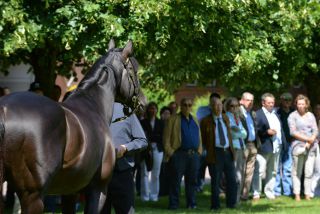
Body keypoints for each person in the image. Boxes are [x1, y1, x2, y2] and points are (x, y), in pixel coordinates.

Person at [102, 102, 148, 213]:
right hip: (98, 175)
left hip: (122, 172)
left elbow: (142, 141)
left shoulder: (126, 111)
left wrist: (125, 148)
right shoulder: (91, 108)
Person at [163, 98, 202, 210]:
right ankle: (174, 205)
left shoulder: (194, 119)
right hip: (179, 155)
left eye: (190, 105)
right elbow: (166, 139)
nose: (187, 107)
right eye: (185, 105)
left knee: (192, 181)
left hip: (193, 155)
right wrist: (171, 153)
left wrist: (199, 152)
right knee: (175, 181)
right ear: (181, 106)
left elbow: (199, 137)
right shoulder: (173, 119)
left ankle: (191, 203)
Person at [200, 96, 237, 210]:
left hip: (227, 152)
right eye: (216, 105)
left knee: (231, 180)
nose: (219, 107)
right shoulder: (206, 121)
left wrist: (232, 151)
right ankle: (215, 206)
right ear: (211, 107)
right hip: (215, 153)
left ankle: (231, 204)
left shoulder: (226, 118)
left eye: (220, 105)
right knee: (215, 181)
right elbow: (203, 139)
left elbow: (229, 135)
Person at [253, 93, 286, 200]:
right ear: (263, 103)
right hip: (264, 146)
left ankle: (269, 191)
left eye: (273, 102)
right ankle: (256, 192)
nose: (271, 104)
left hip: (276, 146)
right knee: (259, 170)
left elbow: (280, 130)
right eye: (269, 102)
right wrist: (266, 132)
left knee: (273, 171)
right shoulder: (258, 114)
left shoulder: (275, 114)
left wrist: (283, 143)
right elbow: (255, 131)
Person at [288, 94, 318, 201]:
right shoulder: (292, 116)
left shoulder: (311, 115)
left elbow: (315, 130)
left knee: (309, 172)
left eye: (302, 104)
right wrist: (307, 139)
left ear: (306, 104)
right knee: (297, 172)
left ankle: (307, 194)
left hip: (311, 146)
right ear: (296, 104)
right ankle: (296, 194)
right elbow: (293, 132)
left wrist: (310, 141)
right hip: (298, 146)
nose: (300, 106)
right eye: (299, 103)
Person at [195, 92, 221, 192]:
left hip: (216, 143)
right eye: (212, 101)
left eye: (216, 102)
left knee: (214, 167)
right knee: (201, 164)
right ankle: (199, 185)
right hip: (204, 142)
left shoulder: (221, 112)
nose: (214, 103)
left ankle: (216, 187)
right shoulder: (202, 110)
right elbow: (202, 121)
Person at [140, 102, 164, 202]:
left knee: (156, 173)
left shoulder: (161, 123)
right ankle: (145, 196)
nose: (152, 110)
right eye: (150, 108)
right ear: (147, 110)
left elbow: (161, 137)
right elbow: (142, 137)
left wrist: (151, 137)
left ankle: (154, 196)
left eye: (154, 109)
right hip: (145, 150)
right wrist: (154, 137)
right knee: (144, 173)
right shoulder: (143, 123)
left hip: (158, 150)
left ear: (157, 110)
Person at [224, 97, 247, 203]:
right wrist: (239, 133)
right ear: (227, 107)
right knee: (234, 175)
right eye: (232, 106)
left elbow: (245, 134)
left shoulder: (237, 117)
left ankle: (237, 198)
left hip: (242, 147)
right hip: (234, 149)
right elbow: (231, 134)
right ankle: (233, 199)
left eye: (237, 106)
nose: (234, 108)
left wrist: (238, 132)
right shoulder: (226, 117)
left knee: (241, 174)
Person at [239, 92, 259, 200]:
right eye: (247, 100)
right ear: (241, 101)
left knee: (249, 172)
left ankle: (244, 195)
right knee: (240, 171)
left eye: (252, 100)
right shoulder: (237, 113)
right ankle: (237, 195)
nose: (250, 102)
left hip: (252, 145)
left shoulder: (252, 113)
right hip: (243, 145)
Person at [274, 92, 294, 197]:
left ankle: (287, 192)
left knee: (287, 168)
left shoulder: (294, 112)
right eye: (285, 99)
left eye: (289, 100)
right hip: (279, 143)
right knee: (277, 168)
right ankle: (277, 191)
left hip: (290, 143)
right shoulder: (276, 112)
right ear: (281, 100)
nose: (287, 102)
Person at [159, 106, 172, 197]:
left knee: (168, 172)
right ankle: (161, 190)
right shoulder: (159, 124)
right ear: (161, 115)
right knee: (161, 172)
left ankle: (167, 190)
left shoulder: (172, 125)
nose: (167, 115)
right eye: (165, 114)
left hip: (170, 151)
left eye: (168, 114)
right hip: (160, 150)